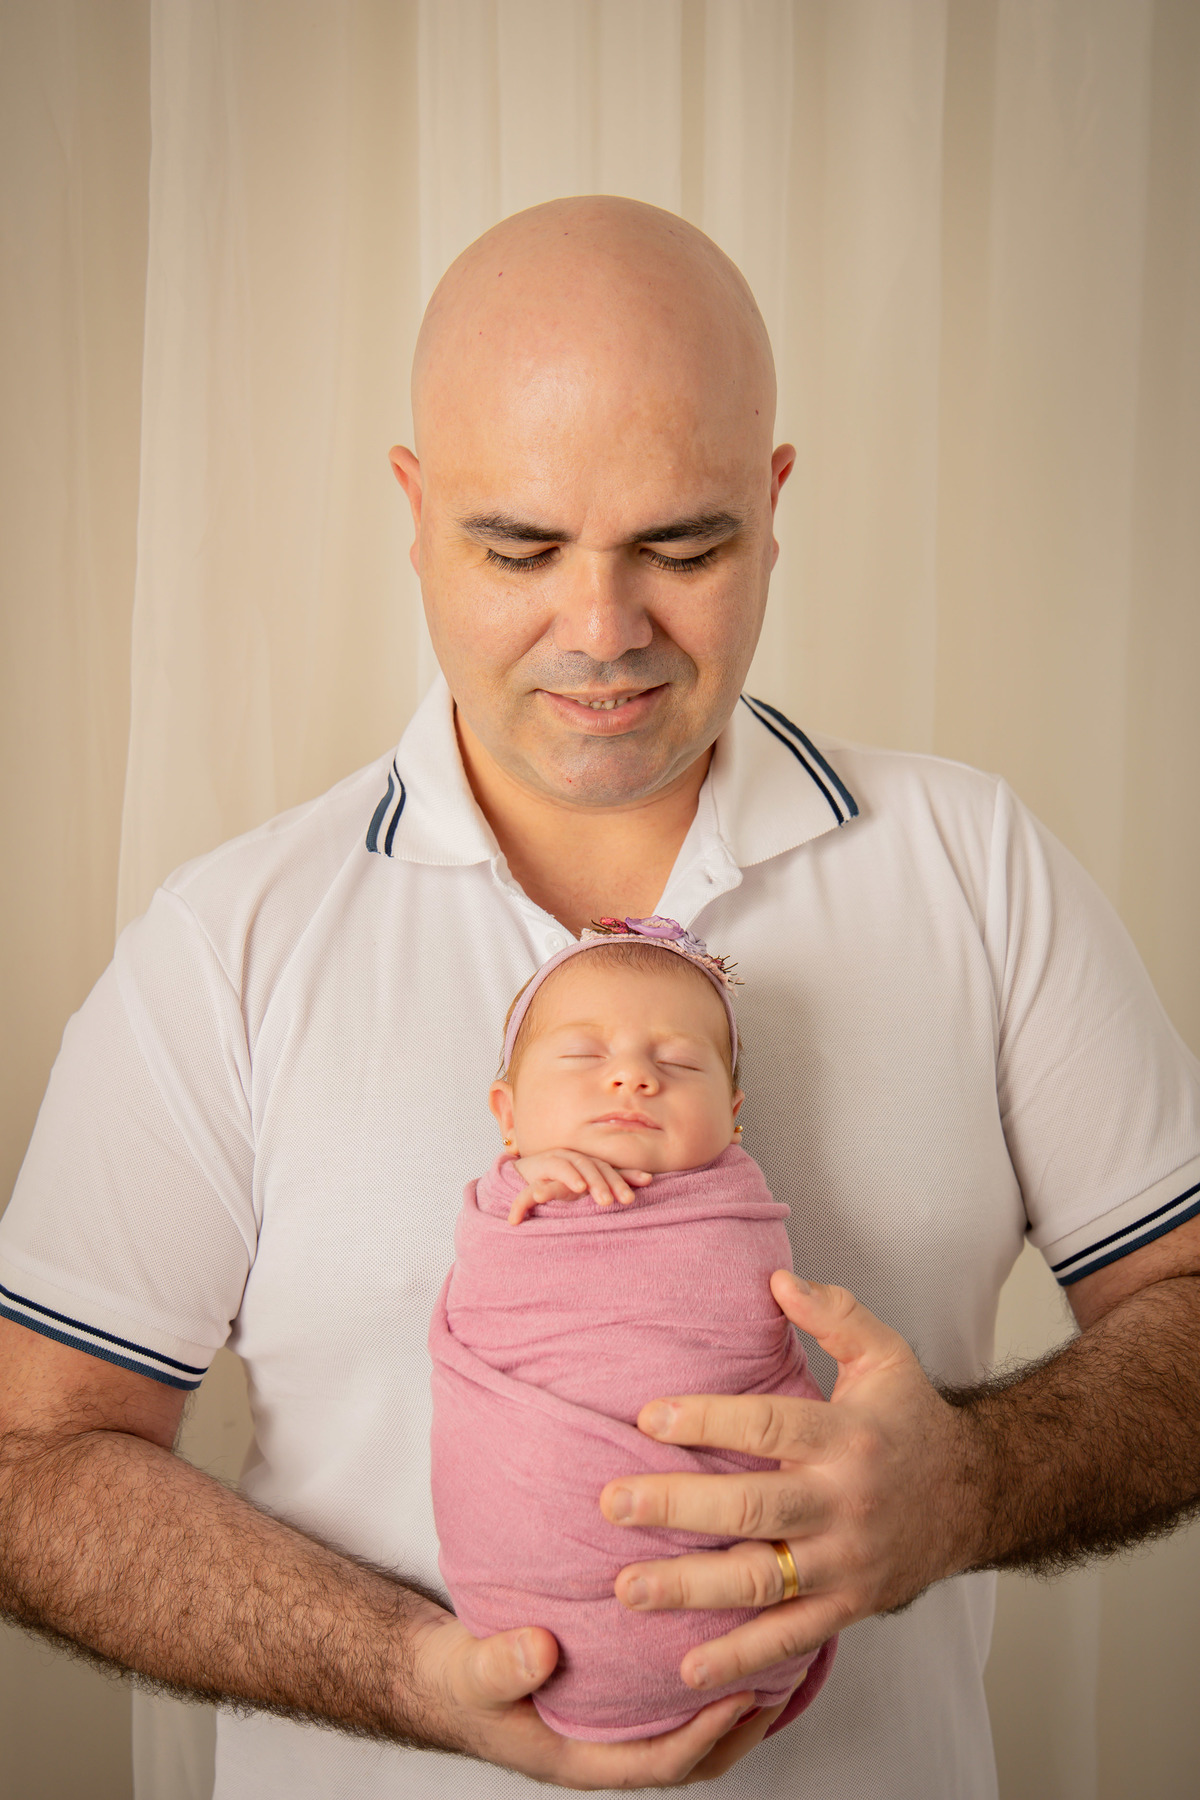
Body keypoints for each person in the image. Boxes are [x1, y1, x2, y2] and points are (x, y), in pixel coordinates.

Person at [0, 195, 1198, 1800]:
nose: (604, 632)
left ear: (774, 505)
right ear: (414, 511)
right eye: (519, 549)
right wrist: (407, 1675)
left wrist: (969, 1486)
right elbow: (31, 1458)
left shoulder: (976, 868)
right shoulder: (228, 946)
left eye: (684, 548)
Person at [430, 917, 834, 1741]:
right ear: (507, 1115)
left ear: (732, 1115)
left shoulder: (733, 1213)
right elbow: (486, 1289)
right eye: (585, 1055)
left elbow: (748, 1339)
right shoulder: (505, 1211)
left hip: (742, 1594)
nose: (632, 1078)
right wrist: (519, 1185)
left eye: (677, 1063)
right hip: (529, 1613)